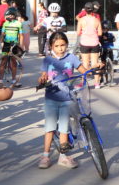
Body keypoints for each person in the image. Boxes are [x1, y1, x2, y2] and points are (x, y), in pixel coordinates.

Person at [37, 31, 88, 169]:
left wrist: (91, 71)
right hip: (51, 98)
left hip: (66, 98)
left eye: (63, 45)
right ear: (51, 47)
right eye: (57, 46)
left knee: (64, 128)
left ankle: (63, 156)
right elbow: (43, 75)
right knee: (50, 128)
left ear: (67, 45)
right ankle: (45, 156)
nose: (60, 48)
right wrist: (42, 79)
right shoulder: (48, 60)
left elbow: (83, 69)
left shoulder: (71, 58)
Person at [76, 2, 102, 89]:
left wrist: (84, 32)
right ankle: (97, 83)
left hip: (84, 43)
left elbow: (78, 32)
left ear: (85, 10)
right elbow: (100, 33)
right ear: (93, 10)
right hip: (94, 43)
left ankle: (83, 83)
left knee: (85, 64)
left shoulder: (81, 20)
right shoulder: (96, 20)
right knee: (95, 63)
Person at [0, 7, 24, 87]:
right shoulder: (5, 23)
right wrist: (1, 42)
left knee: (14, 63)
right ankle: (0, 80)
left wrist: (21, 45)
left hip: (15, 45)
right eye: (7, 15)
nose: (8, 17)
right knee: (3, 61)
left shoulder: (18, 24)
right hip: (6, 44)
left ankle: (14, 80)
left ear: (14, 15)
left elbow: (21, 35)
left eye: (10, 15)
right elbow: (3, 34)